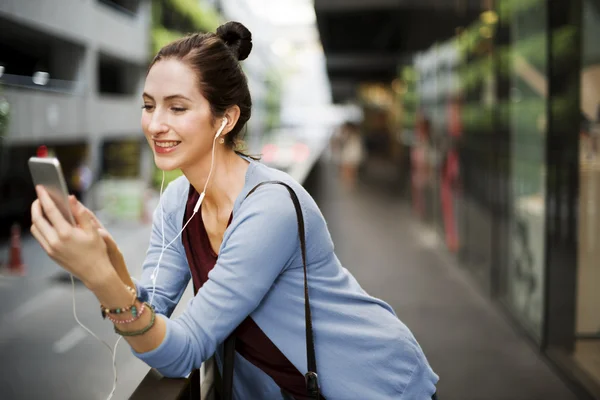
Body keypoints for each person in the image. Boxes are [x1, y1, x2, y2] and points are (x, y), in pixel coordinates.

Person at [29, 22, 439, 399]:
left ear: (225, 119)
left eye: (177, 107)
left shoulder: (269, 208)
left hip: (376, 385)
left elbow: (181, 350)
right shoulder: (178, 201)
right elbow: (150, 312)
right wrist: (109, 262)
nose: (155, 124)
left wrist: (99, 279)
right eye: (148, 105)